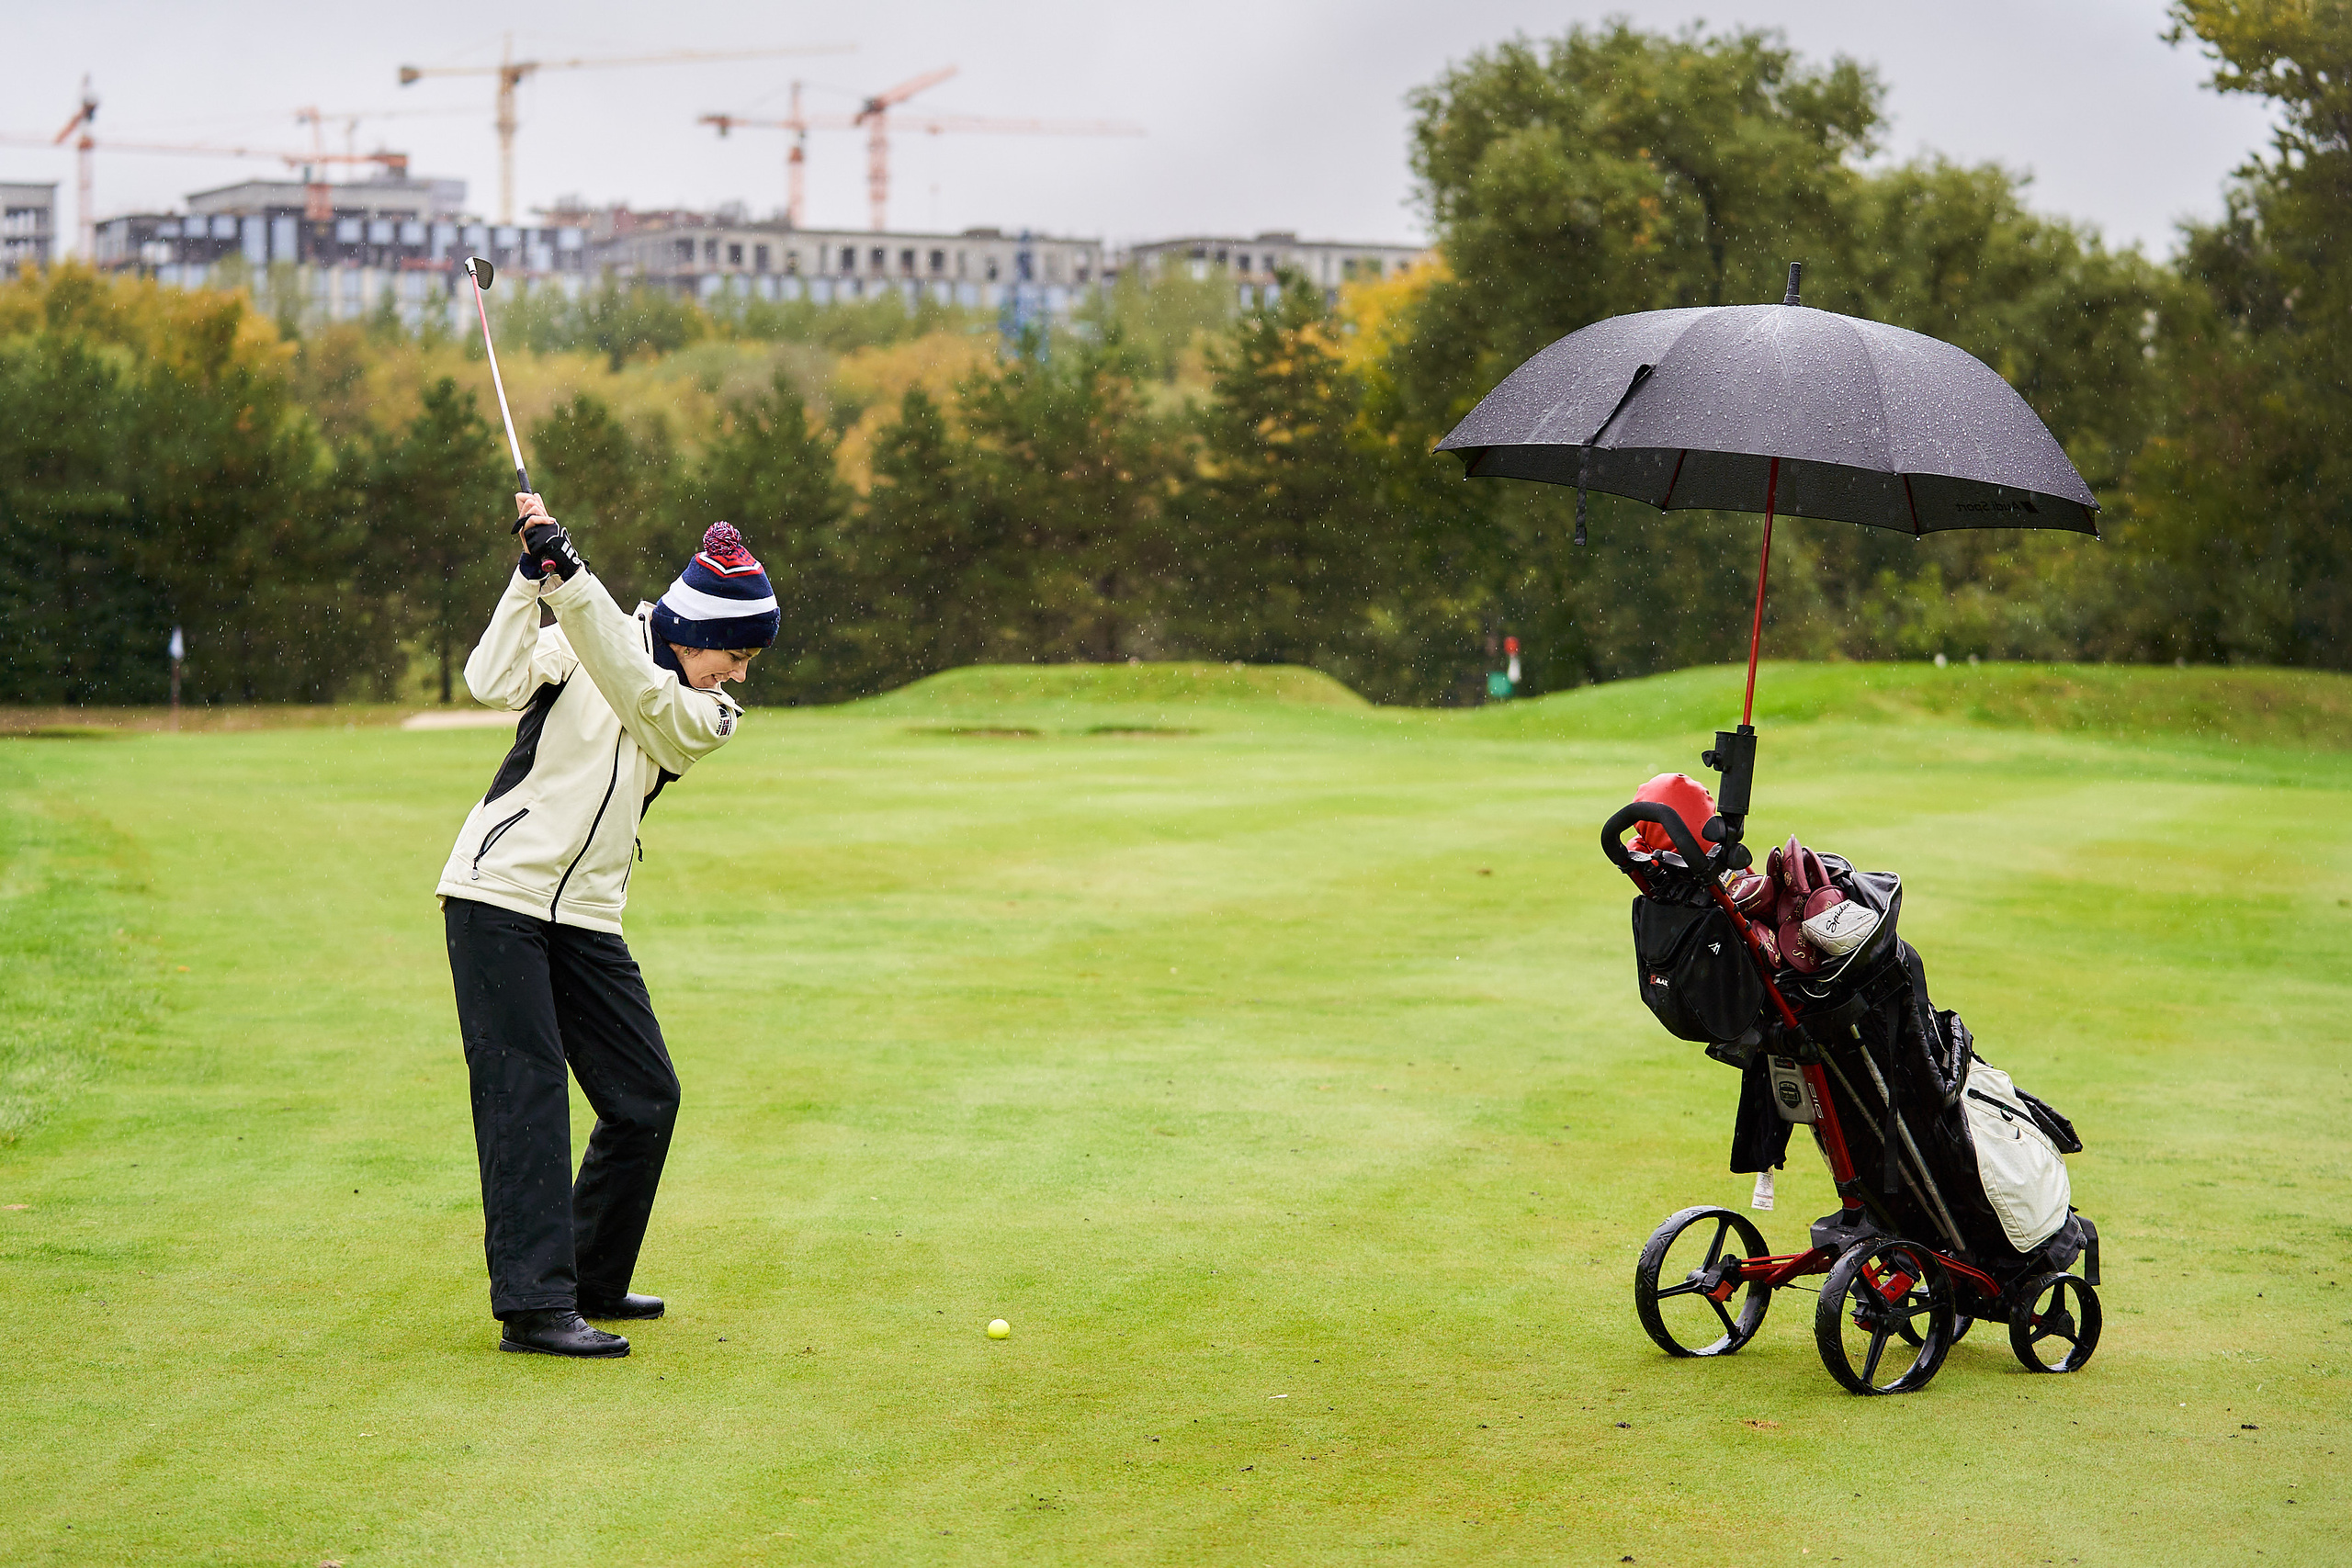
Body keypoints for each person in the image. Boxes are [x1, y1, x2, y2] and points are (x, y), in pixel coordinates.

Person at [435, 495, 776, 1358]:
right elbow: (490, 681)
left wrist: (572, 580)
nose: (737, 675)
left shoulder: (704, 713)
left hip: (586, 915)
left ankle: (591, 1276)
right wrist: (529, 580)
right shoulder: (584, 633)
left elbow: (639, 689)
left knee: (644, 1094)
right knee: (529, 1091)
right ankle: (534, 1306)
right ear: (695, 629)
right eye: (734, 654)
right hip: (496, 892)